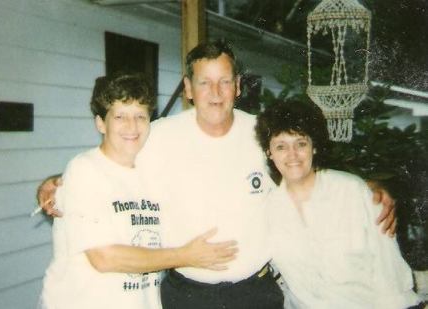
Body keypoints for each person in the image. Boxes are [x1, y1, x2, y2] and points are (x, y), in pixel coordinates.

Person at [37, 40, 397, 309]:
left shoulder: (261, 132)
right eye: (204, 83)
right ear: (189, 88)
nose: (215, 93)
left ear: (238, 86)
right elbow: (111, 162)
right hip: (186, 293)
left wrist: (367, 186)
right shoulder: (157, 134)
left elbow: (302, 169)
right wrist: (54, 183)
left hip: (255, 292)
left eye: (224, 82)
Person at [40, 73, 238, 309]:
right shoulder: (85, 170)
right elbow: (104, 257)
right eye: (120, 116)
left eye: (140, 117)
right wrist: (187, 256)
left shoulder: (151, 172)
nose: (132, 126)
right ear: (101, 123)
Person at [255, 100, 421, 308]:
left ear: (314, 147)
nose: (292, 155)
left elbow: (388, 270)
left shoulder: (351, 190)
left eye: (301, 143)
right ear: (269, 152)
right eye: (281, 146)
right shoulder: (267, 209)